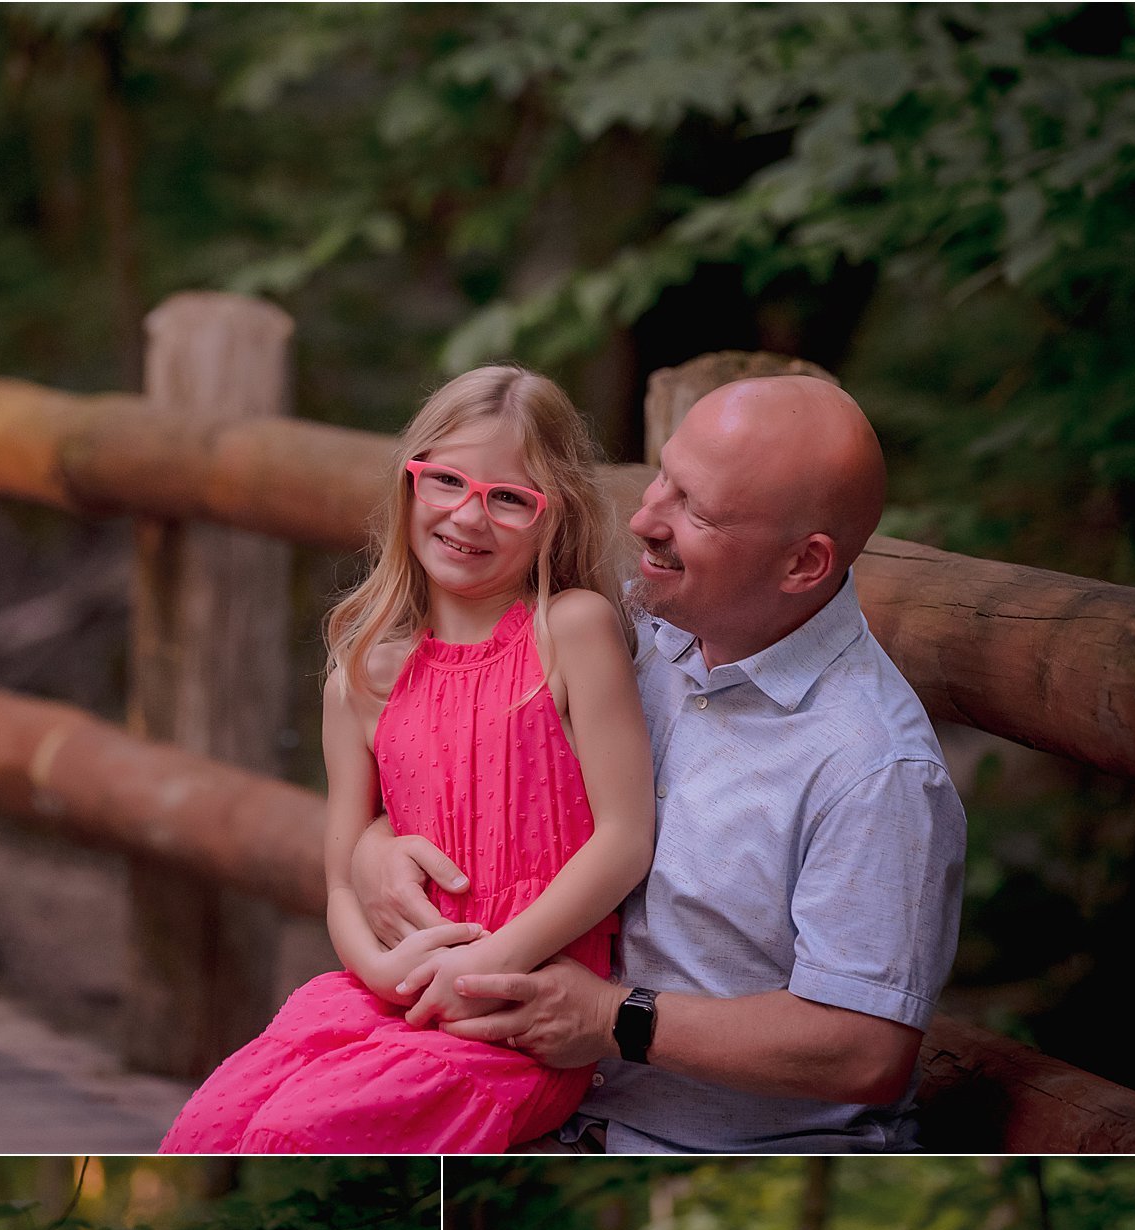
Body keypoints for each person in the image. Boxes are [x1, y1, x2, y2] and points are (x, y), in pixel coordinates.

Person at [410, 375, 969, 1150]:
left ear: (804, 565)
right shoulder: (637, 630)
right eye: (662, 476)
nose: (644, 518)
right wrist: (372, 850)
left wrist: (612, 1019)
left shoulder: (874, 766)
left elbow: (864, 1049)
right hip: (533, 1113)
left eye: (694, 511)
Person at [158, 363, 653, 1153]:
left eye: (509, 498)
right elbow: (338, 882)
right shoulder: (362, 675)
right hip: (387, 990)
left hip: (518, 1011)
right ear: (409, 485)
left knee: (295, 1135)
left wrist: (489, 965)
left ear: (552, 517)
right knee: (209, 1128)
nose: (469, 515)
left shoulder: (572, 632)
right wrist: (379, 972)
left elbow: (625, 837)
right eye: (447, 481)